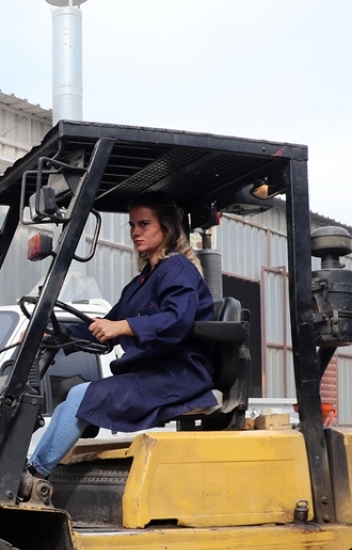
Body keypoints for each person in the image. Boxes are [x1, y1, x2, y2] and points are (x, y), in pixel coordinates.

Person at [27, 191, 217, 479]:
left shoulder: (177, 269)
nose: (135, 232)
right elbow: (106, 324)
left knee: (81, 396)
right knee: (71, 398)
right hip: (154, 374)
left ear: (165, 227)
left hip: (179, 375)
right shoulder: (142, 281)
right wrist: (54, 333)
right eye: (132, 225)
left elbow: (176, 320)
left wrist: (125, 327)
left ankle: (35, 476)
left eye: (144, 224)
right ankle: (34, 468)